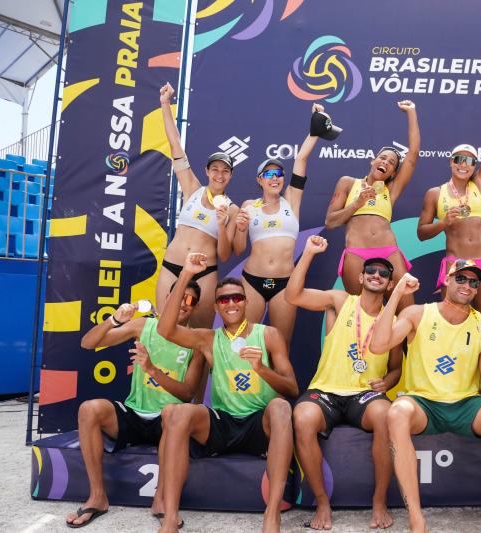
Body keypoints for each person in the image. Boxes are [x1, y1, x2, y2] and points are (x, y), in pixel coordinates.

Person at [370, 261, 481, 533]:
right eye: (461, 279)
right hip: (424, 404)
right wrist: (396, 294)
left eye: (473, 282)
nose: (467, 286)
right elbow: (378, 345)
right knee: (396, 412)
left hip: (466, 405)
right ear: (446, 280)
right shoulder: (418, 313)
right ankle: (417, 521)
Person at [155, 253, 298, 533]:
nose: (231, 303)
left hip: (259, 423)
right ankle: (171, 516)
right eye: (224, 300)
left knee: (281, 408)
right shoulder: (209, 339)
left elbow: (292, 388)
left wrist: (261, 369)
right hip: (223, 423)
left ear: (246, 301)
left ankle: (272, 515)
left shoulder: (268, 335)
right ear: (217, 307)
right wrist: (185, 274)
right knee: (178, 413)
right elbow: (165, 329)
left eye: (237, 298)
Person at [285, 235, 403, 530]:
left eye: (384, 273)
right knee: (301, 418)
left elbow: (396, 368)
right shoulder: (340, 301)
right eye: (371, 271)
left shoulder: (394, 318)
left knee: (387, 415)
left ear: (390, 284)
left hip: (363, 394)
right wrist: (309, 253)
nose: (377, 275)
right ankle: (322, 502)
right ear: (361, 277)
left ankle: (379, 501)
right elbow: (293, 296)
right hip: (326, 390)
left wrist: (387, 382)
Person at [65, 283, 204, 528]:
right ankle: (97, 496)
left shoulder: (196, 341)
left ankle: (161, 501)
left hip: (168, 419)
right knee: (89, 409)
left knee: (173, 413)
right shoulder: (144, 325)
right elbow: (88, 343)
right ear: (168, 297)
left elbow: (188, 393)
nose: (183, 303)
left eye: (191, 300)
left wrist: (152, 369)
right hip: (135, 413)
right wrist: (114, 320)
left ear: (196, 307)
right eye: (179, 297)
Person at [232, 104, 322, 345]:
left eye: (279, 173)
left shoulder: (292, 199)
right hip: (252, 280)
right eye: (269, 174)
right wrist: (240, 228)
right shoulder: (248, 205)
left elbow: (301, 158)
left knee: (281, 345)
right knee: (245, 342)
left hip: (285, 283)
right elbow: (238, 248)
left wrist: (314, 128)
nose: (276, 178)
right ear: (259, 179)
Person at [157, 82, 238, 328]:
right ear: (207, 171)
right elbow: (175, 148)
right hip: (173, 265)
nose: (219, 175)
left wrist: (223, 224)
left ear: (231, 175)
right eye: (215, 170)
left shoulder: (232, 210)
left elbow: (225, 254)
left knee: (199, 337)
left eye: (225, 171)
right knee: (163, 328)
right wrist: (165, 104)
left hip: (204, 272)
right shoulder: (192, 187)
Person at [325, 100, 419, 310]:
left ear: (393, 173)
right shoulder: (348, 183)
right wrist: (356, 204)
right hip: (356, 253)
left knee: (406, 311)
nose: (385, 162)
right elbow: (330, 222)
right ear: (372, 161)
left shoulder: (390, 190)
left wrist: (411, 113)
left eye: (391, 163)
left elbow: (412, 155)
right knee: (359, 314)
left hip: (389, 252)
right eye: (382, 158)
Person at [417, 93, 481, 319]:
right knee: (451, 318)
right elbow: (421, 234)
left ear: (475, 165)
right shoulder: (435, 193)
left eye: (470, 161)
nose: (464, 165)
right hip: (456, 263)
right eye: (459, 159)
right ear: (450, 162)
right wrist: (444, 223)